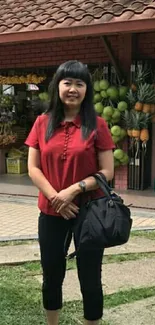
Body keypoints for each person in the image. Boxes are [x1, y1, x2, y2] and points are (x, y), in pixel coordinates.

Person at [25, 60, 115, 325]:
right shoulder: (42, 123)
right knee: (52, 274)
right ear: (58, 86)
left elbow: (107, 171)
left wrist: (73, 191)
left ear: (87, 89)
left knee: (90, 276)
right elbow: (32, 168)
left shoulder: (98, 125)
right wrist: (57, 197)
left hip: (90, 213)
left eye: (79, 83)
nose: (73, 88)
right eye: (67, 82)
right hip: (51, 212)